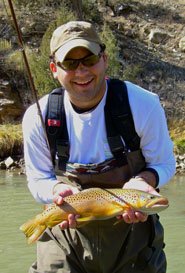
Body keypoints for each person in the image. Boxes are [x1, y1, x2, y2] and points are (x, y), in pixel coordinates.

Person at [22, 21, 176, 273]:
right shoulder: (38, 117)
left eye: (89, 59)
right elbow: (38, 180)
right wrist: (58, 189)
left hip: (134, 236)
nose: (81, 72)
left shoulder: (142, 104)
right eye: (70, 64)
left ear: (104, 59)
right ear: (54, 69)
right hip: (65, 235)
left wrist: (144, 179)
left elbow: (164, 163)